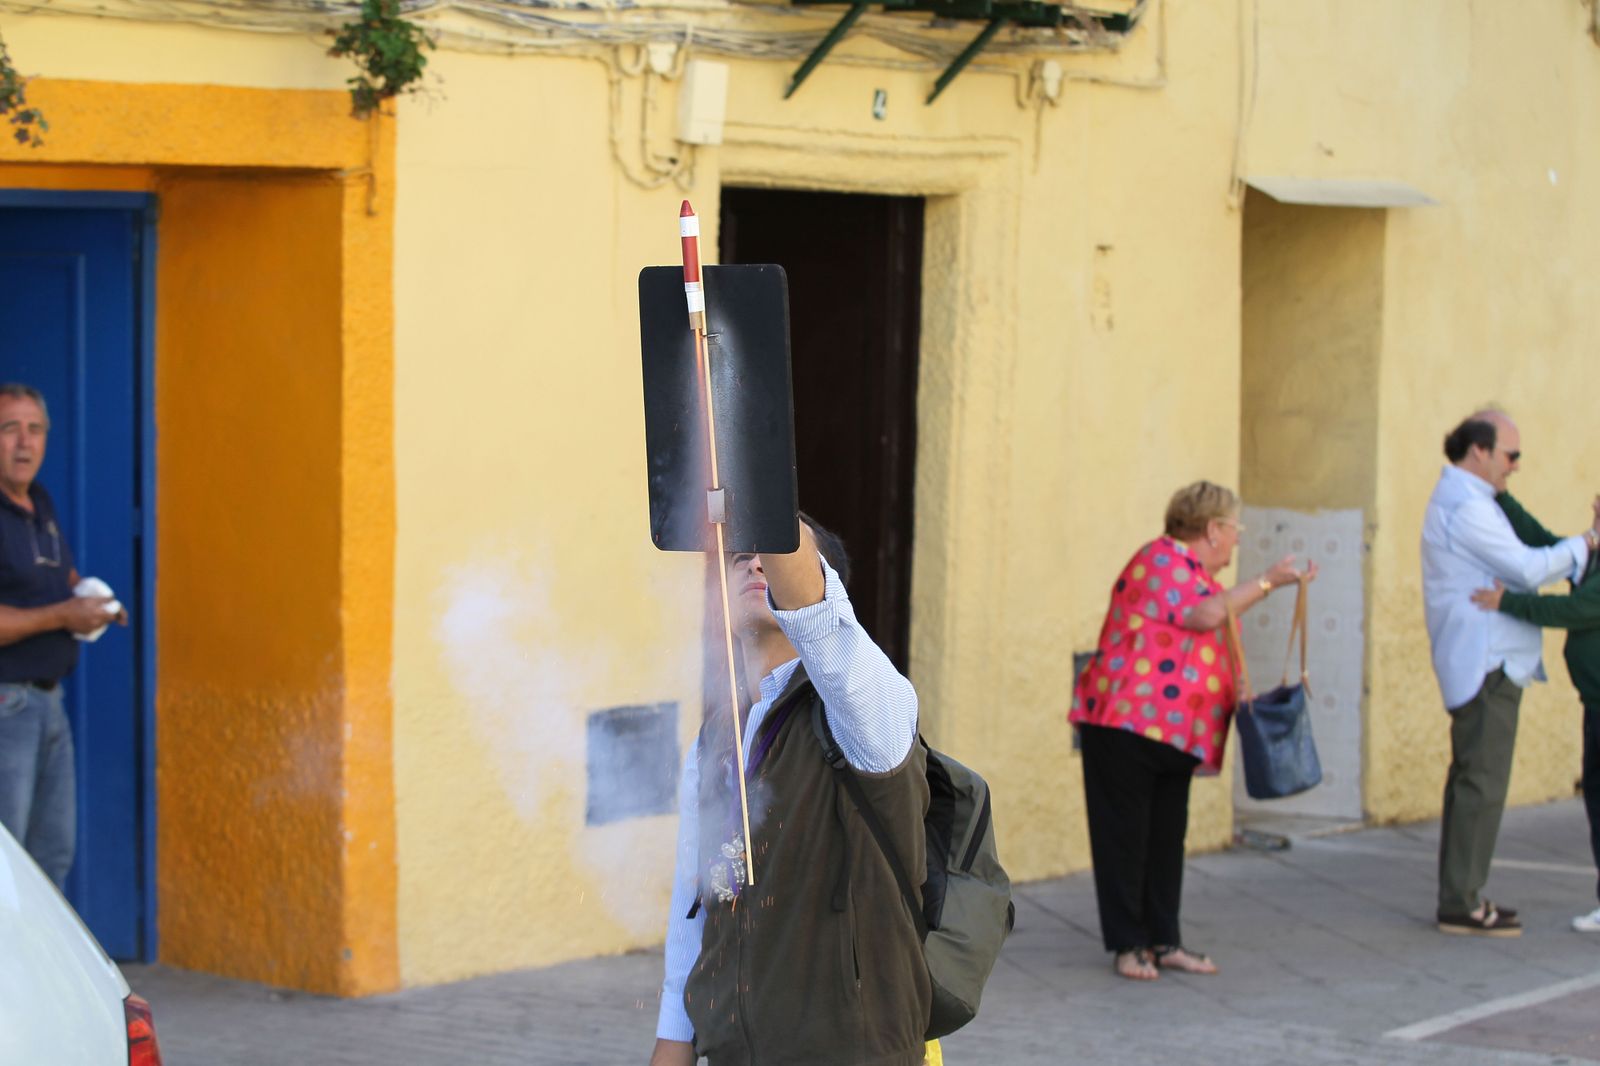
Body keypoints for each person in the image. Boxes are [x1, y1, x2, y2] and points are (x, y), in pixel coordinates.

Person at [651, 513, 935, 1066]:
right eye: (738, 557)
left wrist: (755, 477)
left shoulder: (868, 711)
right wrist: (671, 1049)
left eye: (772, 552)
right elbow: (694, 916)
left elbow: (825, 625)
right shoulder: (714, 742)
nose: (754, 561)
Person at [1069, 481, 1316, 981]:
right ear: (1213, 528)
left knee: (1165, 838)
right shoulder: (1160, 559)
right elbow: (1204, 617)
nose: (1237, 542)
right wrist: (1269, 581)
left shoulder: (1196, 573)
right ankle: (1127, 945)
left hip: (1172, 736)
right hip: (1127, 726)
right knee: (1125, 838)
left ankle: (1164, 940)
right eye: (1235, 530)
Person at [1421, 410, 1593, 936]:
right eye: (1510, 455)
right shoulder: (1465, 506)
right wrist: (1587, 543)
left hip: (1490, 658)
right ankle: (1462, 902)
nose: (1515, 466)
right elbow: (1528, 568)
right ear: (1479, 451)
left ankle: (1462, 892)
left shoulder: (1476, 501)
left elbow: (1534, 545)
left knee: (1472, 780)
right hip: (1485, 660)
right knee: (1482, 784)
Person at [0, 383, 124, 887]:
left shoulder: (40, 504)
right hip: (7, 706)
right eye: (9, 429)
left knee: (51, 862)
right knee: (8, 870)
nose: (24, 443)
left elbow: (62, 578)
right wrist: (61, 616)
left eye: (35, 429)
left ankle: (32, 969)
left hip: (49, 706)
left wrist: (96, 603)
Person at [1471, 492, 1600, 932]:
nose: (1595, 510)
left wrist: (1507, 603)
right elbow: (1543, 544)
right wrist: (1499, 495)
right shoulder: (1592, 556)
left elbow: (1576, 610)